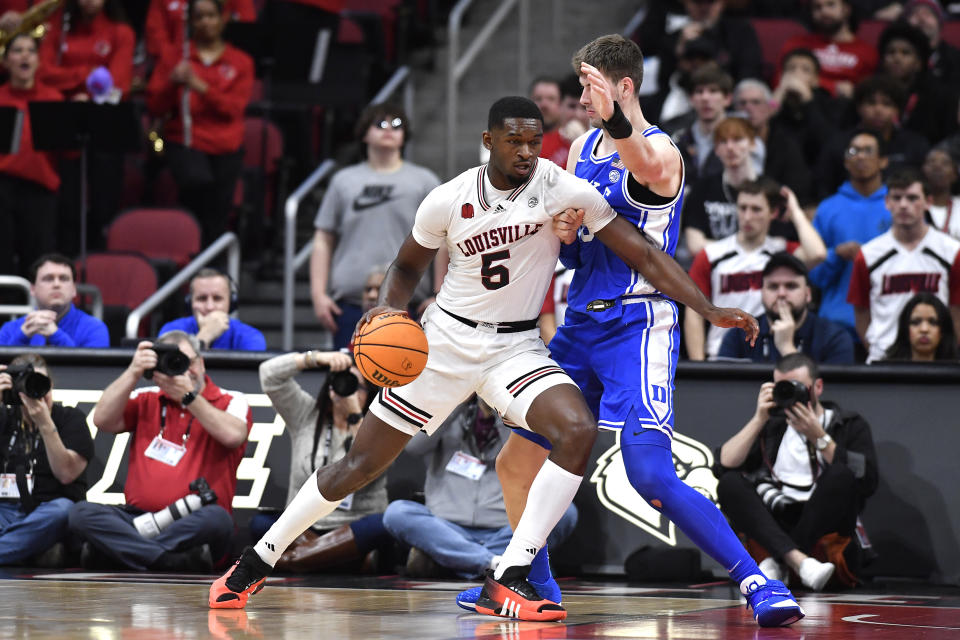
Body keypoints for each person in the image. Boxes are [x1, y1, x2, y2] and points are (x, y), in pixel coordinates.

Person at [209, 95, 767, 623]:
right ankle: (258, 559)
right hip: (445, 343)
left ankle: (512, 572)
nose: (526, 152)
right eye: (514, 142)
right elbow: (404, 269)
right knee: (361, 463)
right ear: (488, 141)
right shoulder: (448, 197)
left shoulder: (560, 188)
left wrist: (708, 309)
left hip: (515, 347)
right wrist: (386, 313)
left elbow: (643, 251)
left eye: (534, 142)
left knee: (576, 428)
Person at [461, 36, 806, 627]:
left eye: (589, 88)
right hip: (581, 322)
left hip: (640, 321)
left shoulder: (659, 150)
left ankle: (756, 581)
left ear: (622, 87)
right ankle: (533, 587)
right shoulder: (580, 148)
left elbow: (643, 170)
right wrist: (563, 228)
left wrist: (615, 115)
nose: (580, 101)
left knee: (647, 472)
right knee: (515, 462)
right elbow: (571, 237)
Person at [69, 331, 252, 571]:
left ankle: (121, 552)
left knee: (218, 521)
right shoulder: (147, 398)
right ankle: (166, 559)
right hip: (138, 518)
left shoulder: (231, 400)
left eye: (186, 361)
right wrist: (133, 372)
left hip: (193, 520)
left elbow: (233, 435)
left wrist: (189, 397)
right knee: (80, 513)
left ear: (201, 362)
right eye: (172, 363)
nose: (183, 371)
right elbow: (102, 420)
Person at [715, 353, 879, 590]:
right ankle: (798, 561)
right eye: (782, 387)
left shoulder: (848, 423)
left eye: (797, 387)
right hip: (777, 516)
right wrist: (759, 418)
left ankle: (778, 562)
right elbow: (724, 464)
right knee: (729, 483)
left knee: (841, 475)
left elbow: (867, 480)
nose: (790, 394)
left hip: (822, 520)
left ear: (818, 387)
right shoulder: (772, 425)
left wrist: (819, 437)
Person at [383, 395, 577, 580]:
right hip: (447, 528)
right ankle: (497, 563)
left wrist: (503, 414)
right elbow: (413, 448)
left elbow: (525, 457)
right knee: (397, 512)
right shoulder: (450, 417)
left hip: (507, 530)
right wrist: (455, 404)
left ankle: (458, 560)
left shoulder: (524, 421)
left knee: (565, 511)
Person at [310, 102, 440, 349]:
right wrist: (318, 294)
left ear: (405, 136)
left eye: (397, 125)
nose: (389, 129)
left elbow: (445, 241)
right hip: (350, 302)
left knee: (404, 383)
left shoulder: (425, 181)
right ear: (364, 133)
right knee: (349, 381)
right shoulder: (343, 181)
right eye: (380, 124)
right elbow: (322, 239)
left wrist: (439, 293)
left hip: (407, 302)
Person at [255, 349, 391, 573]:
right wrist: (316, 358)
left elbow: (371, 465)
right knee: (261, 523)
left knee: (383, 525)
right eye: (341, 382)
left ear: (369, 393)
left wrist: (355, 416)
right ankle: (336, 559)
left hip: (354, 526)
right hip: (306, 524)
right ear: (330, 387)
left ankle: (292, 561)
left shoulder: (379, 425)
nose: (347, 391)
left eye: (356, 386)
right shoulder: (307, 415)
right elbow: (268, 375)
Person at [145, 0, 254, 245]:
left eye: (211, 16)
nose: (206, 22)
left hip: (226, 145)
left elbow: (233, 109)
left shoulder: (240, 62)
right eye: (199, 17)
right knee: (196, 185)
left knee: (217, 213)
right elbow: (155, 107)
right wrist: (172, 82)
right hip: (186, 141)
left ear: (223, 19)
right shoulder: (176, 57)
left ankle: (213, 263)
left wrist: (201, 87)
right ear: (191, 22)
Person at [686, 179, 826, 361]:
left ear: (773, 212)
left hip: (769, 352)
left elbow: (818, 253)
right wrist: (699, 365)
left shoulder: (782, 252)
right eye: (742, 208)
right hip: (721, 355)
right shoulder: (711, 255)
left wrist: (796, 212)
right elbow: (694, 312)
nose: (747, 216)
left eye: (756, 209)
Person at [848, 168, 960, 362]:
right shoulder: (868, 255)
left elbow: (956, 310)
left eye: (912, 198)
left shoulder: (951, 252)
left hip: (938, 361)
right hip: (883, 359)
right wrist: (876, 348)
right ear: (887, 202)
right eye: (897, 198)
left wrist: (948, 351)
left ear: (928, 202)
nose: (903, 205)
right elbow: (861, 313)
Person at [0, 354, 94, 565]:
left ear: (50, 385)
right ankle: (22, 546)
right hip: (5, 511)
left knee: (64, 511)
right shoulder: (5, 417)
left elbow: (66, 474)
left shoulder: (70, 418)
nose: (35, 393)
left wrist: (44, 423)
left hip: (48, 512)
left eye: (40, 384)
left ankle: (15, 547)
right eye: (25, 385)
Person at [809, 129, 892, 345]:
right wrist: (836, 255)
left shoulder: (898, 207)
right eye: (854, 151)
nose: (861, 156)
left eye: (868, 151)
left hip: (890, 321)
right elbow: (813, 275)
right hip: (837, 325)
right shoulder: (827, 209)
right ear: (846, 162)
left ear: (883, 161)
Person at [0, 34, 63, 278]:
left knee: (37, 260)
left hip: (40, 191)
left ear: (38, 61)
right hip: (3, 189)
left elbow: (68, 150)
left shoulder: (53, 99)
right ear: (5, 61)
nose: (25, 55)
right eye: (17, 50)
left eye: (31, 51)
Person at [719, 251, 855, 363]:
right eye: (773, 287)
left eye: (791, 286)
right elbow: (724, 392)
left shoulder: (834, 338)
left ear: (808, 294)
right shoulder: (738, 336)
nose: (781, 293)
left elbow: (830, 394)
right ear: (762, 293)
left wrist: (786, 347)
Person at [877, 20, 959, 147]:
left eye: (905, 53)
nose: (897, 58)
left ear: (919, 63)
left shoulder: (940, 97)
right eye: (891, 52)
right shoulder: (870, 94)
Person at [0, 254, 110, 348]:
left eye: (63, 278)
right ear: (33, 289)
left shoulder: (94, 329)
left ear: (74, 289)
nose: (56, 284)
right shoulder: (9, 330)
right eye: (48, 279)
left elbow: (90, 371)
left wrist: (55, 335)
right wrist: (22, 336)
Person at [732, 79, 813, 206]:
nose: (748, 108)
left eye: (756, 102)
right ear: (735, 108)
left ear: (770, 108)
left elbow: (798, 188)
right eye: (742, 103)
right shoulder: (726, 143)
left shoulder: (786, 144)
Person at [778, 0, 878, 98]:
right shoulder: (796, 43)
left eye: (831, 4)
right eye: (817, 7)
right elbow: (779, 80)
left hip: (845, 107)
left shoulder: (867, 52)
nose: (824, 11)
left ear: (846, 9)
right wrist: (832, 86)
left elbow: (868, 92)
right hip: (801, 101)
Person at [38, 0, 134, 99]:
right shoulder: (59, 30)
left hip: (102, 108)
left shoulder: (121, 33)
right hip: (59, 103)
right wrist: (85, 74)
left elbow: (118, 86)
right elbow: (43, 73)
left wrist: (89, 98)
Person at [770, 48, 847, 170]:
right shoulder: (775, 101)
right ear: (781, 76)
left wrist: (808, 101)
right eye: (791, 69)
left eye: (805, 70)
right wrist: (776, 99)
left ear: (816, 80)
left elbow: (828, 143)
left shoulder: (829, 105)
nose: (796, 74)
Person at [159, 268, 266, 351]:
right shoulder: (172, 330)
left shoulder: (250, 336)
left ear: (231, 302)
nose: (210, 307)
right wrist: (204, 336)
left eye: (217, 298)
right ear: (190, 302)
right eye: (202, 298)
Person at [669, 64, 733, 186]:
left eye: (713, 91)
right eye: (699, 91)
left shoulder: (744, 139)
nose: (705, 97)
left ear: (727, 99)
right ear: (691, 99)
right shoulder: (677, 139)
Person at [144, 0, 254, 62]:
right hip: (176, 64)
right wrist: (172, 61)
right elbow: (156, 36)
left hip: (223, 65)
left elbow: (246, 34)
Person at [882, 291, 959, 361]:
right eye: (916, 322)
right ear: (905, 329)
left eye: (933, 322)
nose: (924, 329)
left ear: (943, 330)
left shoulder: (956, 371)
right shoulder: (886, 371)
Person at [903, 0, 960, 87]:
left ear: (939, 24)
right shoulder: (896, 54)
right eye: (915, 14)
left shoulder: (955, 57)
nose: (921, 18)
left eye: (927, 14)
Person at [923, 147, 960, 241]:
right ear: (923, 170)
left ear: (955, 174)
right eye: (932, 162)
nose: (937, 167)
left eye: (945, 163)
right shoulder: (914, 206)